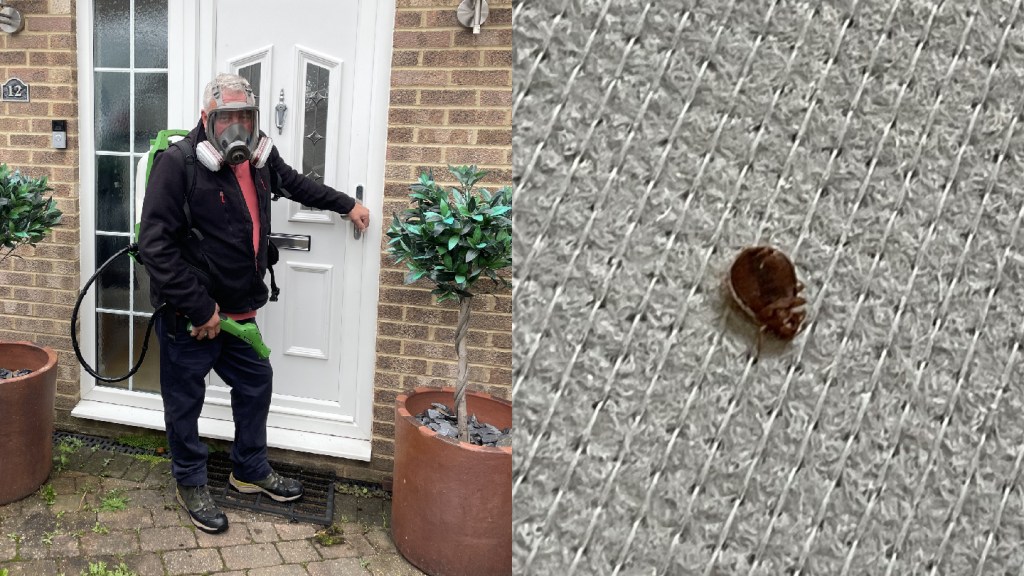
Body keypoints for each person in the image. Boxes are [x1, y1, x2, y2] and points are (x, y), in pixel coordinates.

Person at [139, 73, 370, 534]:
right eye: (227, 117)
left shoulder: (261, 159)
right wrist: (200, 308)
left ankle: (248, 470)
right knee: (184, 403)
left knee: (256, 383)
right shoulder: (178, 163)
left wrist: (346, 205)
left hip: (239, 314)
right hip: (193, 316)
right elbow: (155, 246)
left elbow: (298, 185)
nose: (237, 127)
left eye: (246, 116)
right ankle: (190, 481)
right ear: (207, 118)